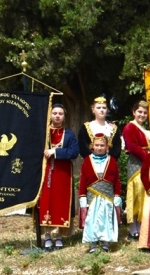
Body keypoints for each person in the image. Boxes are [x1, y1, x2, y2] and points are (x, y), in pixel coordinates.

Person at [38, 104, 79, 251]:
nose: (57, 116)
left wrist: (55, 151)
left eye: (60, 113)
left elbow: (74, 152)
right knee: (46, 201)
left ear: (64, 116)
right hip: (45, 172)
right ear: (50, 115)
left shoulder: (69, 134)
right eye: (54, 113)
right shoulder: (43, 133)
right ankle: (47, 236)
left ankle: (60, 236)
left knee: (61, 202)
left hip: (63, 174)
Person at [78, 134, 122, 253]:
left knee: (106, 219)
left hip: (108, 196)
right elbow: (82, 181)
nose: (99, 148)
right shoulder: (87, 161)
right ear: (92, 146)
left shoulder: (112, 161)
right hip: (92, 197)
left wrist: (117, 195)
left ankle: (105, 242)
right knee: (92, 219)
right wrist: (82, 196)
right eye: (97, 145)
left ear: (107, 147)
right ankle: (93, 243)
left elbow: (117, 180)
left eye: (102, 145)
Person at [122, 100, 150, 240]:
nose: (142, 115)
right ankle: (133, 229)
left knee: (143, 196)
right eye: (139, 112)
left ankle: (141, 228)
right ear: (134, 112)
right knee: (136, 195)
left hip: (146, 165)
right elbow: (133, 148)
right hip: (136, 165)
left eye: (145, 112)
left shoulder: (145, 129)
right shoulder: (130, 127)